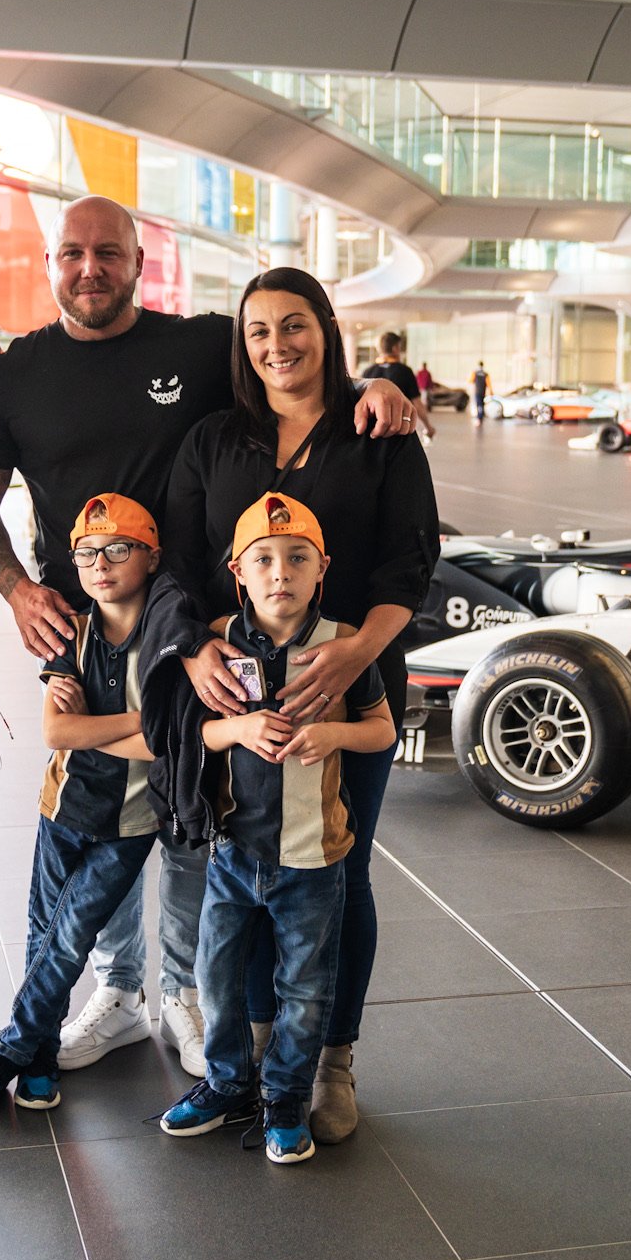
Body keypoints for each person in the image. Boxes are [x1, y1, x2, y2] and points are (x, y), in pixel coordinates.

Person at [0, 198, 413, 1078]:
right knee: (94, 818)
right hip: (80, 627)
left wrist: (381, 387)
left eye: (108, 252)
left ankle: (186, 991)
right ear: (51, 262)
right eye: (72, 253)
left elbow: (290, 357)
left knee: (191, 809)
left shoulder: (195, 345)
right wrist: (16, 592)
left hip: (181, 625)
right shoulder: (11, 378)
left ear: (138, 261)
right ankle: (120, 988)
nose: (89, 268)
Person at [164, 267, 439, 1145]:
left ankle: (331, 1059)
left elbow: (409, 567)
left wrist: (353, 651)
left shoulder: (377, 436)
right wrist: (203, 649)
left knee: (339, 874)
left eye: (294, 325)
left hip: (347, 686)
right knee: (241, 873)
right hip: (239, 693)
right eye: (258, 333)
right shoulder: (214, 439)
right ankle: (245, 1058)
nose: (277, 345)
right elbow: (177, 560)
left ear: (326, 327)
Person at [157, 492, 394, 1164]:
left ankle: (287, 1098)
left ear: (324, 568)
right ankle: (229, 1080)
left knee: (307, 985)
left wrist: (333, 733)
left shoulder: (343, 647)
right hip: (234, 852)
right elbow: (190, 731)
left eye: (297, 558)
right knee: (215, 974)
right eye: (263, 558)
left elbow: (384, 730)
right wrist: (238, 727)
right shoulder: (218, 641)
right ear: (238, 569)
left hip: (315, 858)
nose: (279, 572)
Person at [0, 493, 166, 1114]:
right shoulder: (71, 630)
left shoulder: (167, 636)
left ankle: (6, 1055)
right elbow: (58, 732)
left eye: (117, 550)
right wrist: (133, 721)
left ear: (151, 558)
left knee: (71, 937)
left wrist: (113, 725)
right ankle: (39, 1060)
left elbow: (163, 741)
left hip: (129, 823)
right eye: (86, 553)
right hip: (62, 809)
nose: (100, 564)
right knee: (43, 934)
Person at [361, 331, 433, 437]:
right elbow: (417, 403)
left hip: (371, 431)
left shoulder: (367, 371)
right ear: (395, 348)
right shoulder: (405, 371)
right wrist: (428, 427)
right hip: (399, 430)